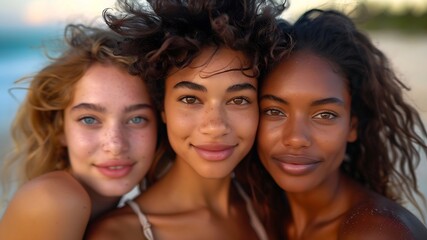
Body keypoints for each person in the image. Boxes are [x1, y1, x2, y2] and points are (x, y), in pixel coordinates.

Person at [85, 0, 289, 239]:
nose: (215, 127)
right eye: (191, 99)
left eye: (239, 100)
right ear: (162, 107)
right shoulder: (119, 234)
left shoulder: (270, 209)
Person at [250, 9, 427, 239]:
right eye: (274, 111)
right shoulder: (261, 215)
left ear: (352, 126)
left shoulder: (374, 231)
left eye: (325, 115)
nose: (296, 138)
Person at [0, 24, 163, 239]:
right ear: (60, 128)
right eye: (89, 119)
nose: (115, 145)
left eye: (136, 119)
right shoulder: (56, 199)